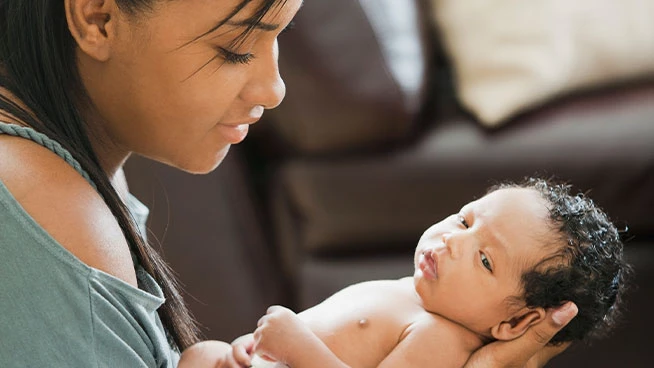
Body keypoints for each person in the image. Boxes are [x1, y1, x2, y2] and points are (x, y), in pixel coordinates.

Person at [0, 0, 576, 366]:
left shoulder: (75, 177)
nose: (274, 88)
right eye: (235, 47)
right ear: (98, 17)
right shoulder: (48, 209)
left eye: (279, 36)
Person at [220, 178, 629, 368]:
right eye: (466, 221)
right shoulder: (413, 297)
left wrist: (295, 347)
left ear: (518, 321)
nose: (453, 240)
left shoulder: (442, 338)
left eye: (485, 259)